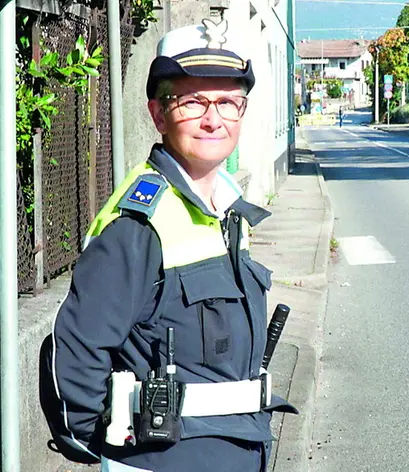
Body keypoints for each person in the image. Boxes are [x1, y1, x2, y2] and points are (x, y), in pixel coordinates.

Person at [41, 17, 296, 472]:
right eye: (194, 102)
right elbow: (75, 361)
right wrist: (114, 448)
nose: (213, 119)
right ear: (158, 114)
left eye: (226, 102)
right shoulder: (139, 224)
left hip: (238, 447)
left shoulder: (225, 208)